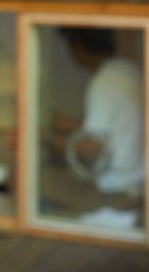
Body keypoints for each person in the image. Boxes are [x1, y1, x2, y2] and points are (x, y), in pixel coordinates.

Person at [53, 27, 145, 201]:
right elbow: (114, 127)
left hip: (116, 190)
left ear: (79, 47)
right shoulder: (129, 69)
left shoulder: (104, 83)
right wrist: (70, 125)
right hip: (137, 181)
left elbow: (91, 150)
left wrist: (55, 142)